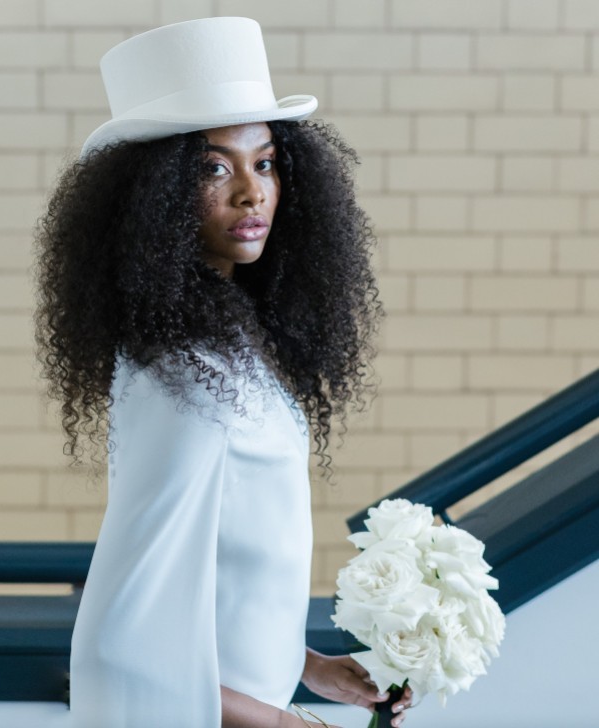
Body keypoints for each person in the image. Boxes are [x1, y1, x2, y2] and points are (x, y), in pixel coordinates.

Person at [34, 16, 412, 728]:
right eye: (214, 167)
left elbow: (217, 581)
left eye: (265, 162)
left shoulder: (232, 348)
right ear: (152, 197)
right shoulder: (180, 378)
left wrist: (310, 669)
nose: (251, 193)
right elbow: (126, 640)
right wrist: (280, 723)